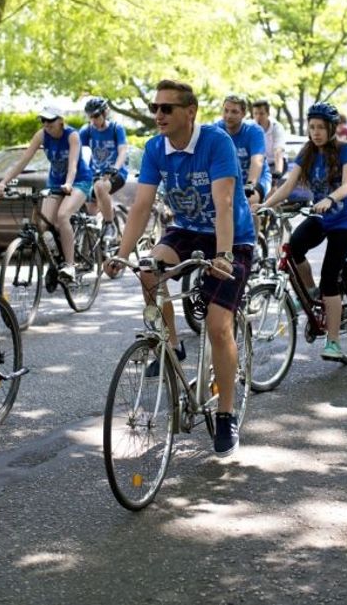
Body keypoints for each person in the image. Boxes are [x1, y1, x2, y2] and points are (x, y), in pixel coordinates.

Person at [105, 79, 255, 457]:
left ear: (190, 112)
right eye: (156, 108)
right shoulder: (156, 148)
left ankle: (225, 413)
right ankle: (171, 344)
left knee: (219, 326)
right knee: (147, 270)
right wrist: (120, 254)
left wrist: (222, 255)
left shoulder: (216, 142)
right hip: (186, 229)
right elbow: (141, 206)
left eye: (167, 108)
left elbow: (223, 204)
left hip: (231, 238)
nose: (159, 115)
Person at [262, 102, 347, 362]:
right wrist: (264, 206)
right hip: (320, 217)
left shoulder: (346, 150)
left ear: (332, 128)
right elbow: (287, 185)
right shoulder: (307, 152)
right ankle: (311, 292)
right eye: (312, 127)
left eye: (321, 127)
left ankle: (334, 341)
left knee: (330, 275)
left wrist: (329, 198)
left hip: (344, 222)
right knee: (294, 248)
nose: (315, 132)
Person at [0, 106, 94, 282]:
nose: (46, 124)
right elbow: (23, 161)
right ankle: (55, 261)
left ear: (61, 121)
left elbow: (73, 164)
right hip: (56, 182)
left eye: (50, 120)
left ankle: (71, 265)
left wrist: (69, 184)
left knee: (63, 216)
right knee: (42, 225)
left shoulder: (72, 135)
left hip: (79, 180)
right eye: (43, 120)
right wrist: (4, 182)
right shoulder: (41, 135)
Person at [78, 97, 128, 240]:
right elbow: (78, 152)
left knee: (100, 187)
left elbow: (123, 150)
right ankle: (98, 248)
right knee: (90, 207)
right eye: (90, 117)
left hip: (116, 173)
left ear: (105, 114)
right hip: (95, 173)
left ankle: (109, 224)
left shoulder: (116, 128)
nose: (93, 120)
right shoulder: (86, 130)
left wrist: (115, 168)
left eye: (96, 116)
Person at [216, 95, 271, 213]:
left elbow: (257, 161)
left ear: (243, 114)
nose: (229, 115)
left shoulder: (254, 130)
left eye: (234, 112)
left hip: (257, 179)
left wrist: (250, 184)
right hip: (230, 179)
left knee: (248, 201)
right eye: (226, 110)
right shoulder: (216, 130)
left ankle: (253, 231)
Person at [251, 99, 287, 179]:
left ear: (268, 114)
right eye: (255, 114)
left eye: (261, 114)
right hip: (260, 164)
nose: (258, 117)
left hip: (276, 163)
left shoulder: (276, 127)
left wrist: (278, 171)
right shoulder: (251, 127)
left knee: (272, 186)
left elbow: (278, 151)